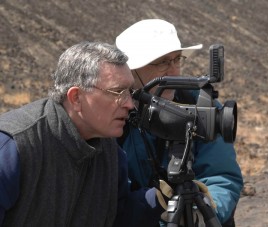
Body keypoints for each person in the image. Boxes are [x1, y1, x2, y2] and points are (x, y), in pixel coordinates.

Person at [0, 41, 172, 226]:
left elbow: (117, 217)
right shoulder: (13, 147)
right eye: (117, 92)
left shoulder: (109, 152)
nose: (129, 104)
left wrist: (158, 198)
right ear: (76, 97)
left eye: (129, 92)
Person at [116, 19, 244, 226]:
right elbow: (110, 194)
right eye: (162, 62)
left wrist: (206, 213)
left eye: (177, 59)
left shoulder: (200, 105)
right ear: (131, 71)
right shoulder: (112, 114)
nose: (173, 71)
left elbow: (221, 175)